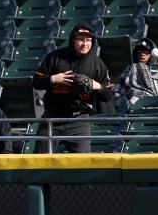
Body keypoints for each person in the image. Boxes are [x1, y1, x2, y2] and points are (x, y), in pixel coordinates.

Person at [32, 21, 113, 153]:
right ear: (72, 40)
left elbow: (108, 95)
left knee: (82, 165)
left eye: (88, 40)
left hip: (79, 121)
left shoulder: (97, 63)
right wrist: (53, 79)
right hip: (52, 118)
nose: (85, 44)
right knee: (39, 162)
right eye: (80, 40)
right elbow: (36, 82)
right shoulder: (55, 57)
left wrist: (97, 86)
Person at [112, 38, 158, 103]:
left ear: (151, 55)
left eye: (146, 52)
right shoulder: (131, 69)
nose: (142, 54)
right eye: (139, 52)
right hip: (135, 106)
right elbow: (118, 89)